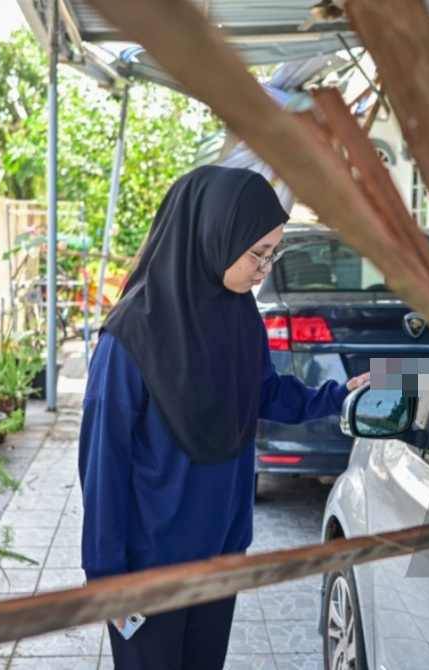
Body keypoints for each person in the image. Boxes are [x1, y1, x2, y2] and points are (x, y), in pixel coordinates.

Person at [78, 165, 368, 669]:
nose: (264, 269)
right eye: (258, 254)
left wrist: (337, 394)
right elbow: (104, 462)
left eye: (271, 255)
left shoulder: (238, 318)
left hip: (220, 552)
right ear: (214, 234)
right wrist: (107, 578)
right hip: (150, 570)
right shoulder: (129, 336)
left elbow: (263, 393)